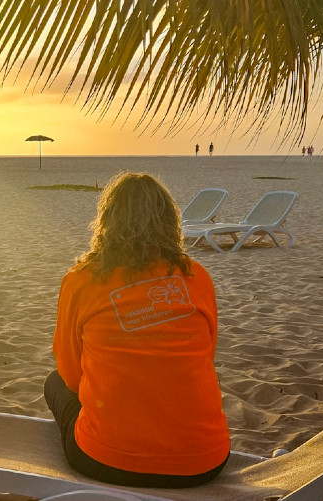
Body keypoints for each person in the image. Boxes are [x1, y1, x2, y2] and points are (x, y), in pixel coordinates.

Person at [44, 171, 229, 488]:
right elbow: (206, 356)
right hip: (204, 462)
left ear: (107, 221)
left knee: (54, 383)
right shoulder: (197, 277)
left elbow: (71, 374)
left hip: (104, 461)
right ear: (170, 221)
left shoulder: (82, 279)